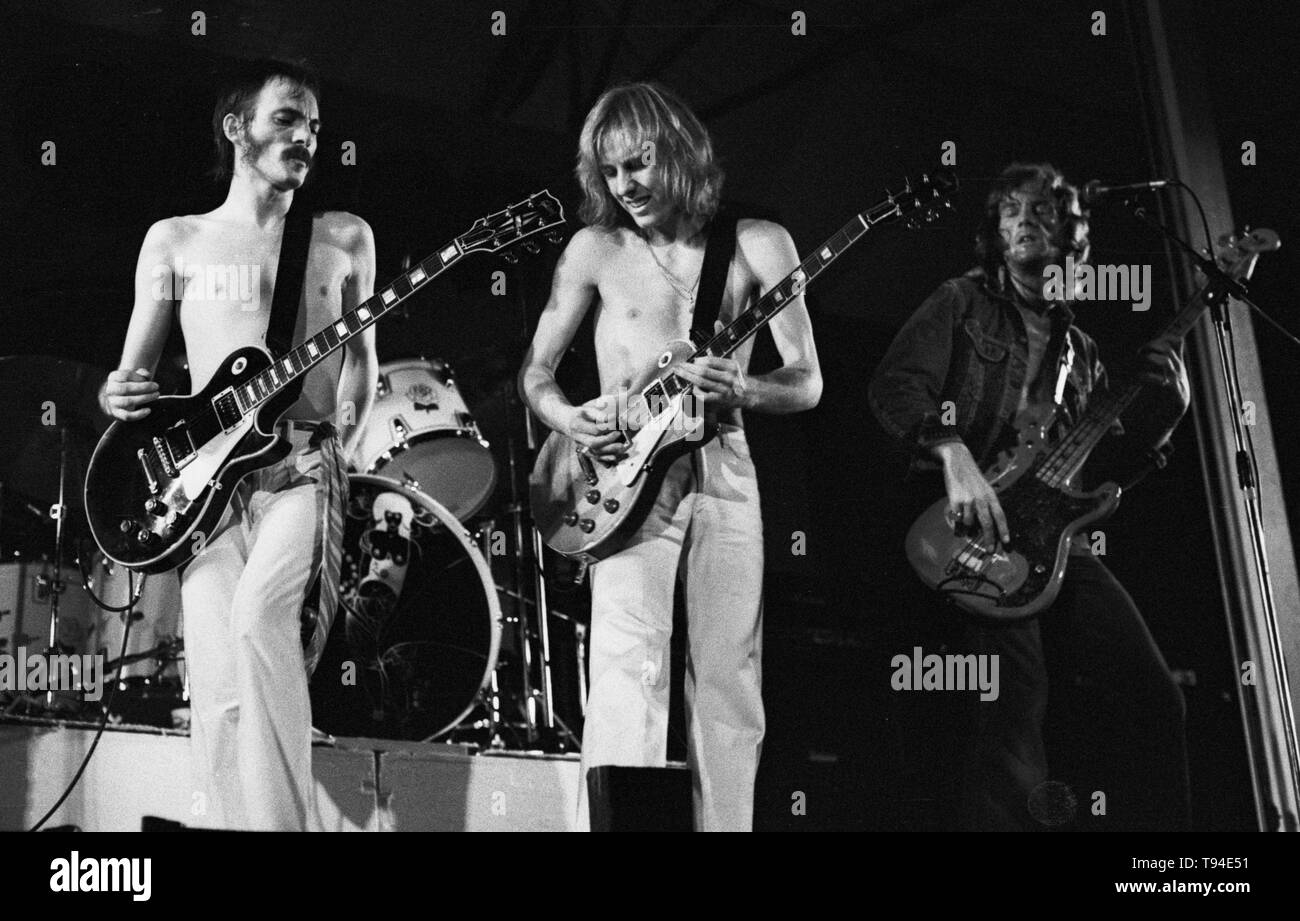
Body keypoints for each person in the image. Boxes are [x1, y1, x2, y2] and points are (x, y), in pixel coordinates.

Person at [520, 82, 822, 831]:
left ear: (680, 150)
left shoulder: (759, 242)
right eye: (611, 173)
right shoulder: (596, 248)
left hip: (722, 462)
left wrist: (746, 386)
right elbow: (535, 373)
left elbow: (808, 380)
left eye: (639, 164)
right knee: (628, 662)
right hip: (619, 475)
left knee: (727, 673)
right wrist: (571, 417)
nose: (626, 187)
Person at [98, 59, 377, 830]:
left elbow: (362, 362)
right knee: (217, 678)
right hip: (205, 486)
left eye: (315, 127)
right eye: (287, 118)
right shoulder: (176, 240)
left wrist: (344, 438)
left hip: (300, 466)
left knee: (261, 620)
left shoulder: (342, 237)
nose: (306, 137)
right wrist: (113, 394)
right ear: (236, 128)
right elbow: (134, 378)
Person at [869, 162, 1191, 831]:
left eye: (1042, 209)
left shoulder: (1084, 352)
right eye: (1011, 208)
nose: (1022, 218)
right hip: (973, 526)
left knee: (1154, 695)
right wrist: (952, 452)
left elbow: (1107, 474)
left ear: (1075, 235)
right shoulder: (963, 301)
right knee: (1015, 695)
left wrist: (1170, 407)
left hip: (1056, 537)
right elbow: (896, 387)